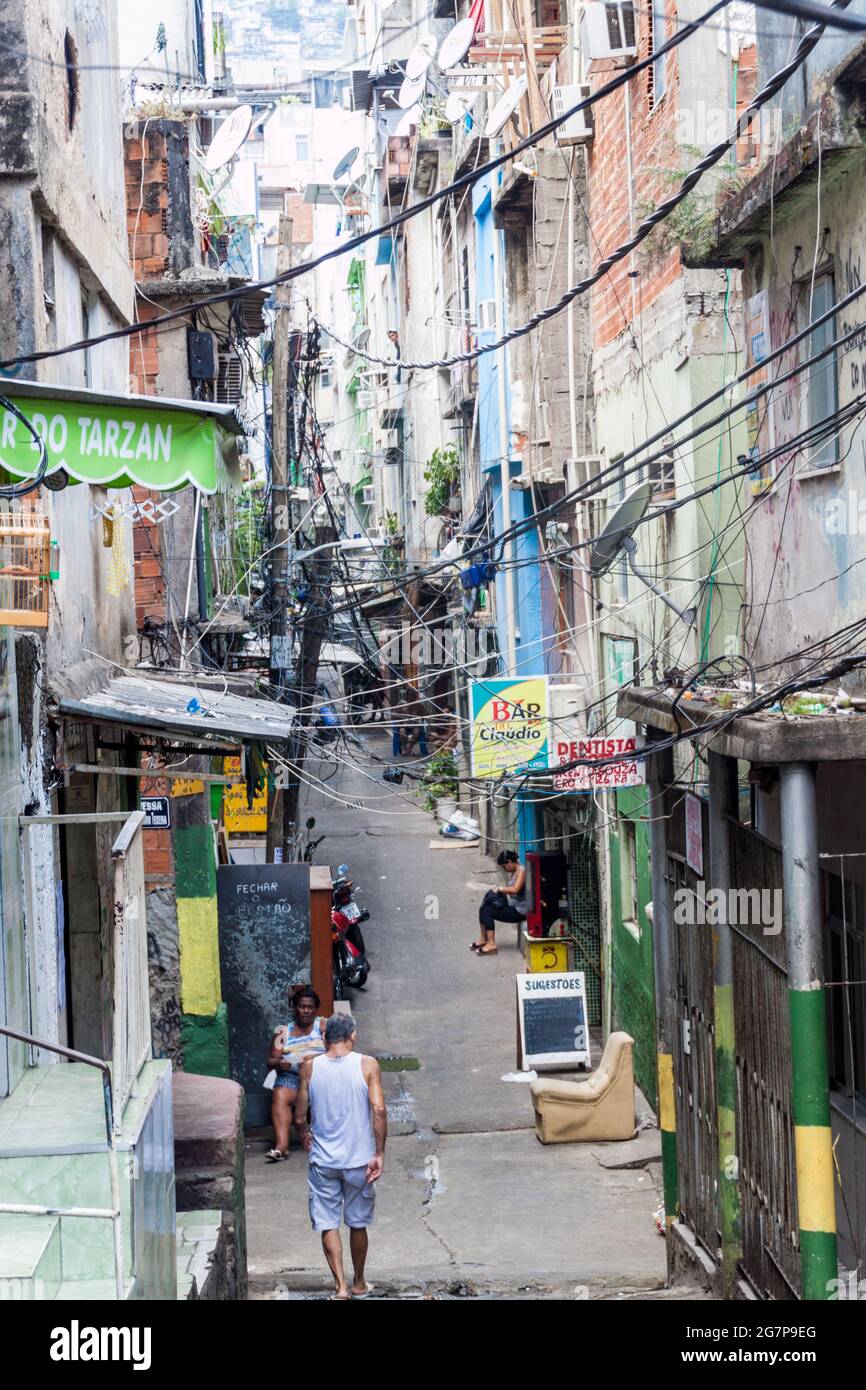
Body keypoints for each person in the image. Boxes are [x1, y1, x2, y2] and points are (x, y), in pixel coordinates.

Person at [294, 1013, 386, 1301]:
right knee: (357, 1222)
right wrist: (379, 1153)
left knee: (328, 1222)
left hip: (323, 1161)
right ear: (353, 1036)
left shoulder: (310, 1068)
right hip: (359, 1159)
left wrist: (304, 1136)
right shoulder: (367, 1064)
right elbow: (379, 1110)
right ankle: (359, 1282)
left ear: (325, 1039)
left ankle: (341, 1288)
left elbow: (299, 1114)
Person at [264, 986, 326, 1162]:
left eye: (310, 1007)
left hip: (318, 1078)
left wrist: (313, 1057)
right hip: (291, 1078)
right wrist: (280, 1063)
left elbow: (337, 1051)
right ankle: (281, 1147)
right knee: (280, 1094)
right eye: (301, 1006)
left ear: (316, 1010)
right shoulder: (283, 1031)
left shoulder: (323, 1026)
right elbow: (270, 1061)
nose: (306, 1011)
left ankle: (324, 1143)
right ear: (295, 1008)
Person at [472, 849, 527, 955]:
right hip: (513, 907)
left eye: (504, 866)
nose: (504, 869)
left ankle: (491, 944)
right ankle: (484, 939)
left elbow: (515, 889)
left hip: (520, 911)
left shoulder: (522, 870)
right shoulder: (515, 871)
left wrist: (500, 889)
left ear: (510, 862)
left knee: (488, 911)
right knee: (483, 907)